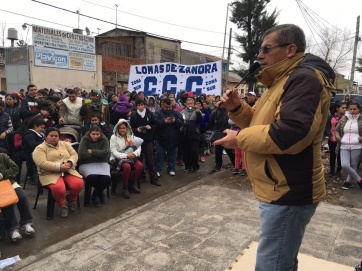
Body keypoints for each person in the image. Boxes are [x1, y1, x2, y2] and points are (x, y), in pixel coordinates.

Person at [215, 24, 335, 271]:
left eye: (266, 49)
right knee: (281, 258)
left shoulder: (303, 79)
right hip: (279, 186)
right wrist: (237, 108)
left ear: (290, 50)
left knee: (273, 263)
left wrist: (239, 139)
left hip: (288, 189)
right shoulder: (281, 80)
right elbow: (262, 124)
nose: (259, 55)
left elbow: (290, 133)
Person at [32, 127, 84, 218]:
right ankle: (62, 205)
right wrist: (59, 167)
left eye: (56, 136)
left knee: (79, 183)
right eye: (51, 135)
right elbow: (41, 163)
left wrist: (70, 162)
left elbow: (74, 154)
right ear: (45, 136)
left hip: (68, 170)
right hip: (49, 173)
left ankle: (71, 199)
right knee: (59, 188)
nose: (54, 138)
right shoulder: (40, 148)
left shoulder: (65, 144)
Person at [0, 149, 35, 242]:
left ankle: (26, 223)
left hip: (9, 183)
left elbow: (15, 168)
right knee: (7, 202)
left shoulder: (2, 157)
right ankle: (12, 229)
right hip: (1, 189)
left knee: (22, 197)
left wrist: (3, 174)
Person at [110, 119, 143, 199]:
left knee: (139, 166)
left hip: (131, 157)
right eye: (120, 128)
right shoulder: (114, 137)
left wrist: (134, 154)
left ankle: (131, 183)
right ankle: (125, 186)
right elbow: (113, 152)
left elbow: (138, 147)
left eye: (124, 128)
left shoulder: (130, 135)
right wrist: (126, 156)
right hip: (118, 158)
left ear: (127, 128)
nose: (122, 129)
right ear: (117, 128)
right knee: (127, 167)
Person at [78, 125, 111, 207]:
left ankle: (96, 193)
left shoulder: (104, 139)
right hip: (86, 163)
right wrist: (99, 154)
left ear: (100, 134)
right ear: (90, 133)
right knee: (92, 177)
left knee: (107, 178)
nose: (95, 136)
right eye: (93, 134)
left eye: (97, 134)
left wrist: (92, 151)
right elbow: (82, 154)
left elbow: (106, 153)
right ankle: (99, 193)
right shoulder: (84, 139)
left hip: (102, 162)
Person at [130, 99, 160, 186]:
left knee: (149, 159)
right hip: (137, 141)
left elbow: (155, 125)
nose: (141, 107)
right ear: (136, 107)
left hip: (148, 140)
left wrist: (150, 126)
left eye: (142, 105)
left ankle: (154, 178)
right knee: (139, 159)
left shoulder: (149, 114)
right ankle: (141, 176)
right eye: (139, 105)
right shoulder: (134, 115)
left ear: (145, 105)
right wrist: (137, 129)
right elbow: (131, 128)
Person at [335, 101, 362, 190]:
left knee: (353, 165)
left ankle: (347, 182)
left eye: (354, 109)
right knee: (345, 165)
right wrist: (340, 139)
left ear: (359, 110)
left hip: (357, 146)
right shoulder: (344, 118)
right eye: (350, 109)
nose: (352, 111)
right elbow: (337, 130)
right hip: (344, 145)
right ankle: (359, 179)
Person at [154, 98, 183, 176]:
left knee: (172, 155)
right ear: (163, 105)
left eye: (170, 107)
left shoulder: (176, 113)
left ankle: (171, 168)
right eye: (166, 107)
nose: (168, 109)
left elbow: (181, 122)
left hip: (174, 138)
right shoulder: (158, 113)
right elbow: (155, 123)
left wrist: (175, 121)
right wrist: (164, 121)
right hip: (161, 138)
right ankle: (158, 170)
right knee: (159, 155)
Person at [208, 101, 235, 172]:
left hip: (227, 132)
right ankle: (218, 165)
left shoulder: (228, 111)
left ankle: (235, 164)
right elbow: (211, 122)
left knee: (229, 149)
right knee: (218, 151)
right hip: (218, 133)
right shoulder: (214, 112)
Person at [180, 98, 203, 172]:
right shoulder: (182, 112)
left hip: (194, 134)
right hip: (185, 134)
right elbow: (180, 122)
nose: (190, 105)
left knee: (194, 152)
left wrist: (197, 112)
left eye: (191, 103)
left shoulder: (197, 111)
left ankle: (195, 167)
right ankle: (188, 167)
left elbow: (201, 121)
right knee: (186, 152)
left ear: (194, 104)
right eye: (188, 103)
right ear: (186, 104)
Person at [325, 102, 347, 178]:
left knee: (340, 157)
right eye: (342, 108)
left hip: (341, 141)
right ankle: (331, 171)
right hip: (332, 140)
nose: (344, 109)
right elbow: (327, 127)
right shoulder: (331, 117)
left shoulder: (346, 118)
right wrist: (329, 135)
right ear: (337, 108)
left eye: (345, 108)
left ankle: (338, 171)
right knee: (332, 156)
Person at [21, 117, 45, 185]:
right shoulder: (29, 135)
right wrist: (45, 142)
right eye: (41, 127)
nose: (42, 129)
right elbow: (33, 145)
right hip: (31, 156)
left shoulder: (40, 134)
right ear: (35, 126)